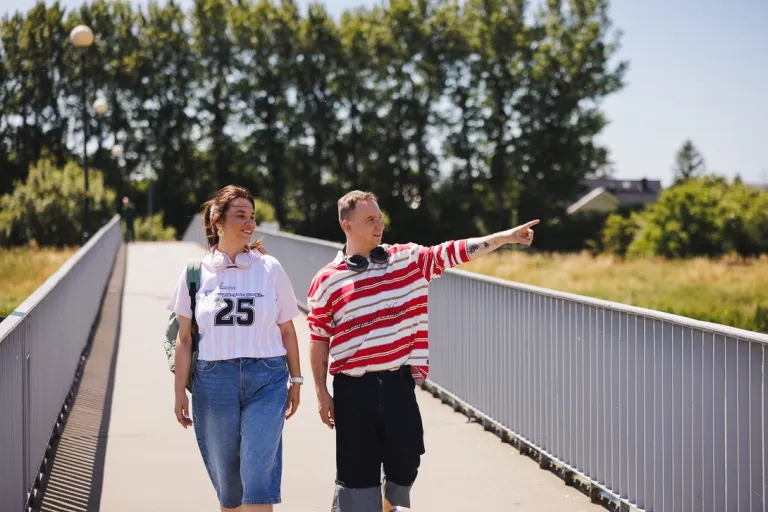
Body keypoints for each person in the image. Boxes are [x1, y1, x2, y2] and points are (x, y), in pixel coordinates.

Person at [306, 190, 539, 512]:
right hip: (352, 390)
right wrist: (321, 392)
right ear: (347, 225)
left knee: (406, 463)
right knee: (356, 476)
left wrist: (505, 237)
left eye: (380, 218)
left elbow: (454, 251)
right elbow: (318, 339)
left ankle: (385, 505)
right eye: (370, 220)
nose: (379, 225)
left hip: (397, 384)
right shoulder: (326, 280)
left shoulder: (408, 260)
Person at [167, 185, 305, 511]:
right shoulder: (194, 273)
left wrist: (296, 381)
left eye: (252, 216)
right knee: (229, 487)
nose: (249, 223)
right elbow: (184, 339)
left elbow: (287, 330)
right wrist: (179, 392)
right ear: (217, 221)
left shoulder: (270, 268)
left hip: (267, 378)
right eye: (240, 215)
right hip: (214, 381)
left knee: (257, 477)